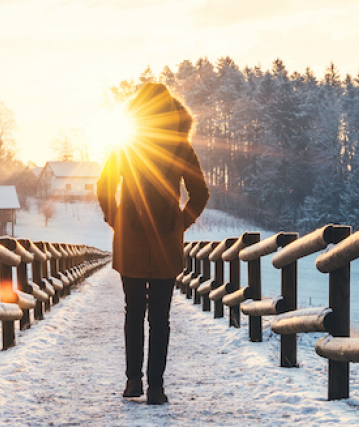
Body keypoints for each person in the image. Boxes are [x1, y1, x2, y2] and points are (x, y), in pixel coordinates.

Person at [97, 83, 209, 405]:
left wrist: (114, 218)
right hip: (165, 245)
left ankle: (133, 380)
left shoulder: (127, 145)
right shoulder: (181, 146)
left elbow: (104, 185)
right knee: (160, 318)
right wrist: (180, 223)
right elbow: (200, 195)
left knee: (133, 313)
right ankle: (156, 388)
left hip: (130, 240)